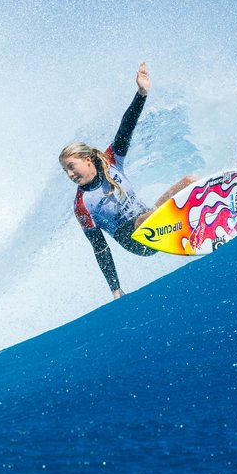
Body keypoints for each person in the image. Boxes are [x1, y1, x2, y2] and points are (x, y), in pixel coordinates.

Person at [60, 61, 194, 298]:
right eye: (66, 172)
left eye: (71, 167)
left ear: (87, 159)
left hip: (151, 217)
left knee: (188, 180)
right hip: (137, 240)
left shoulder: (110, 162)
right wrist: (115, 288)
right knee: (146, 218)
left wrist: (141, 93)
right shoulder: (82, 205)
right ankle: (187, 221)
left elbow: (126, 127)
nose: (70, 175)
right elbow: (100, 248)